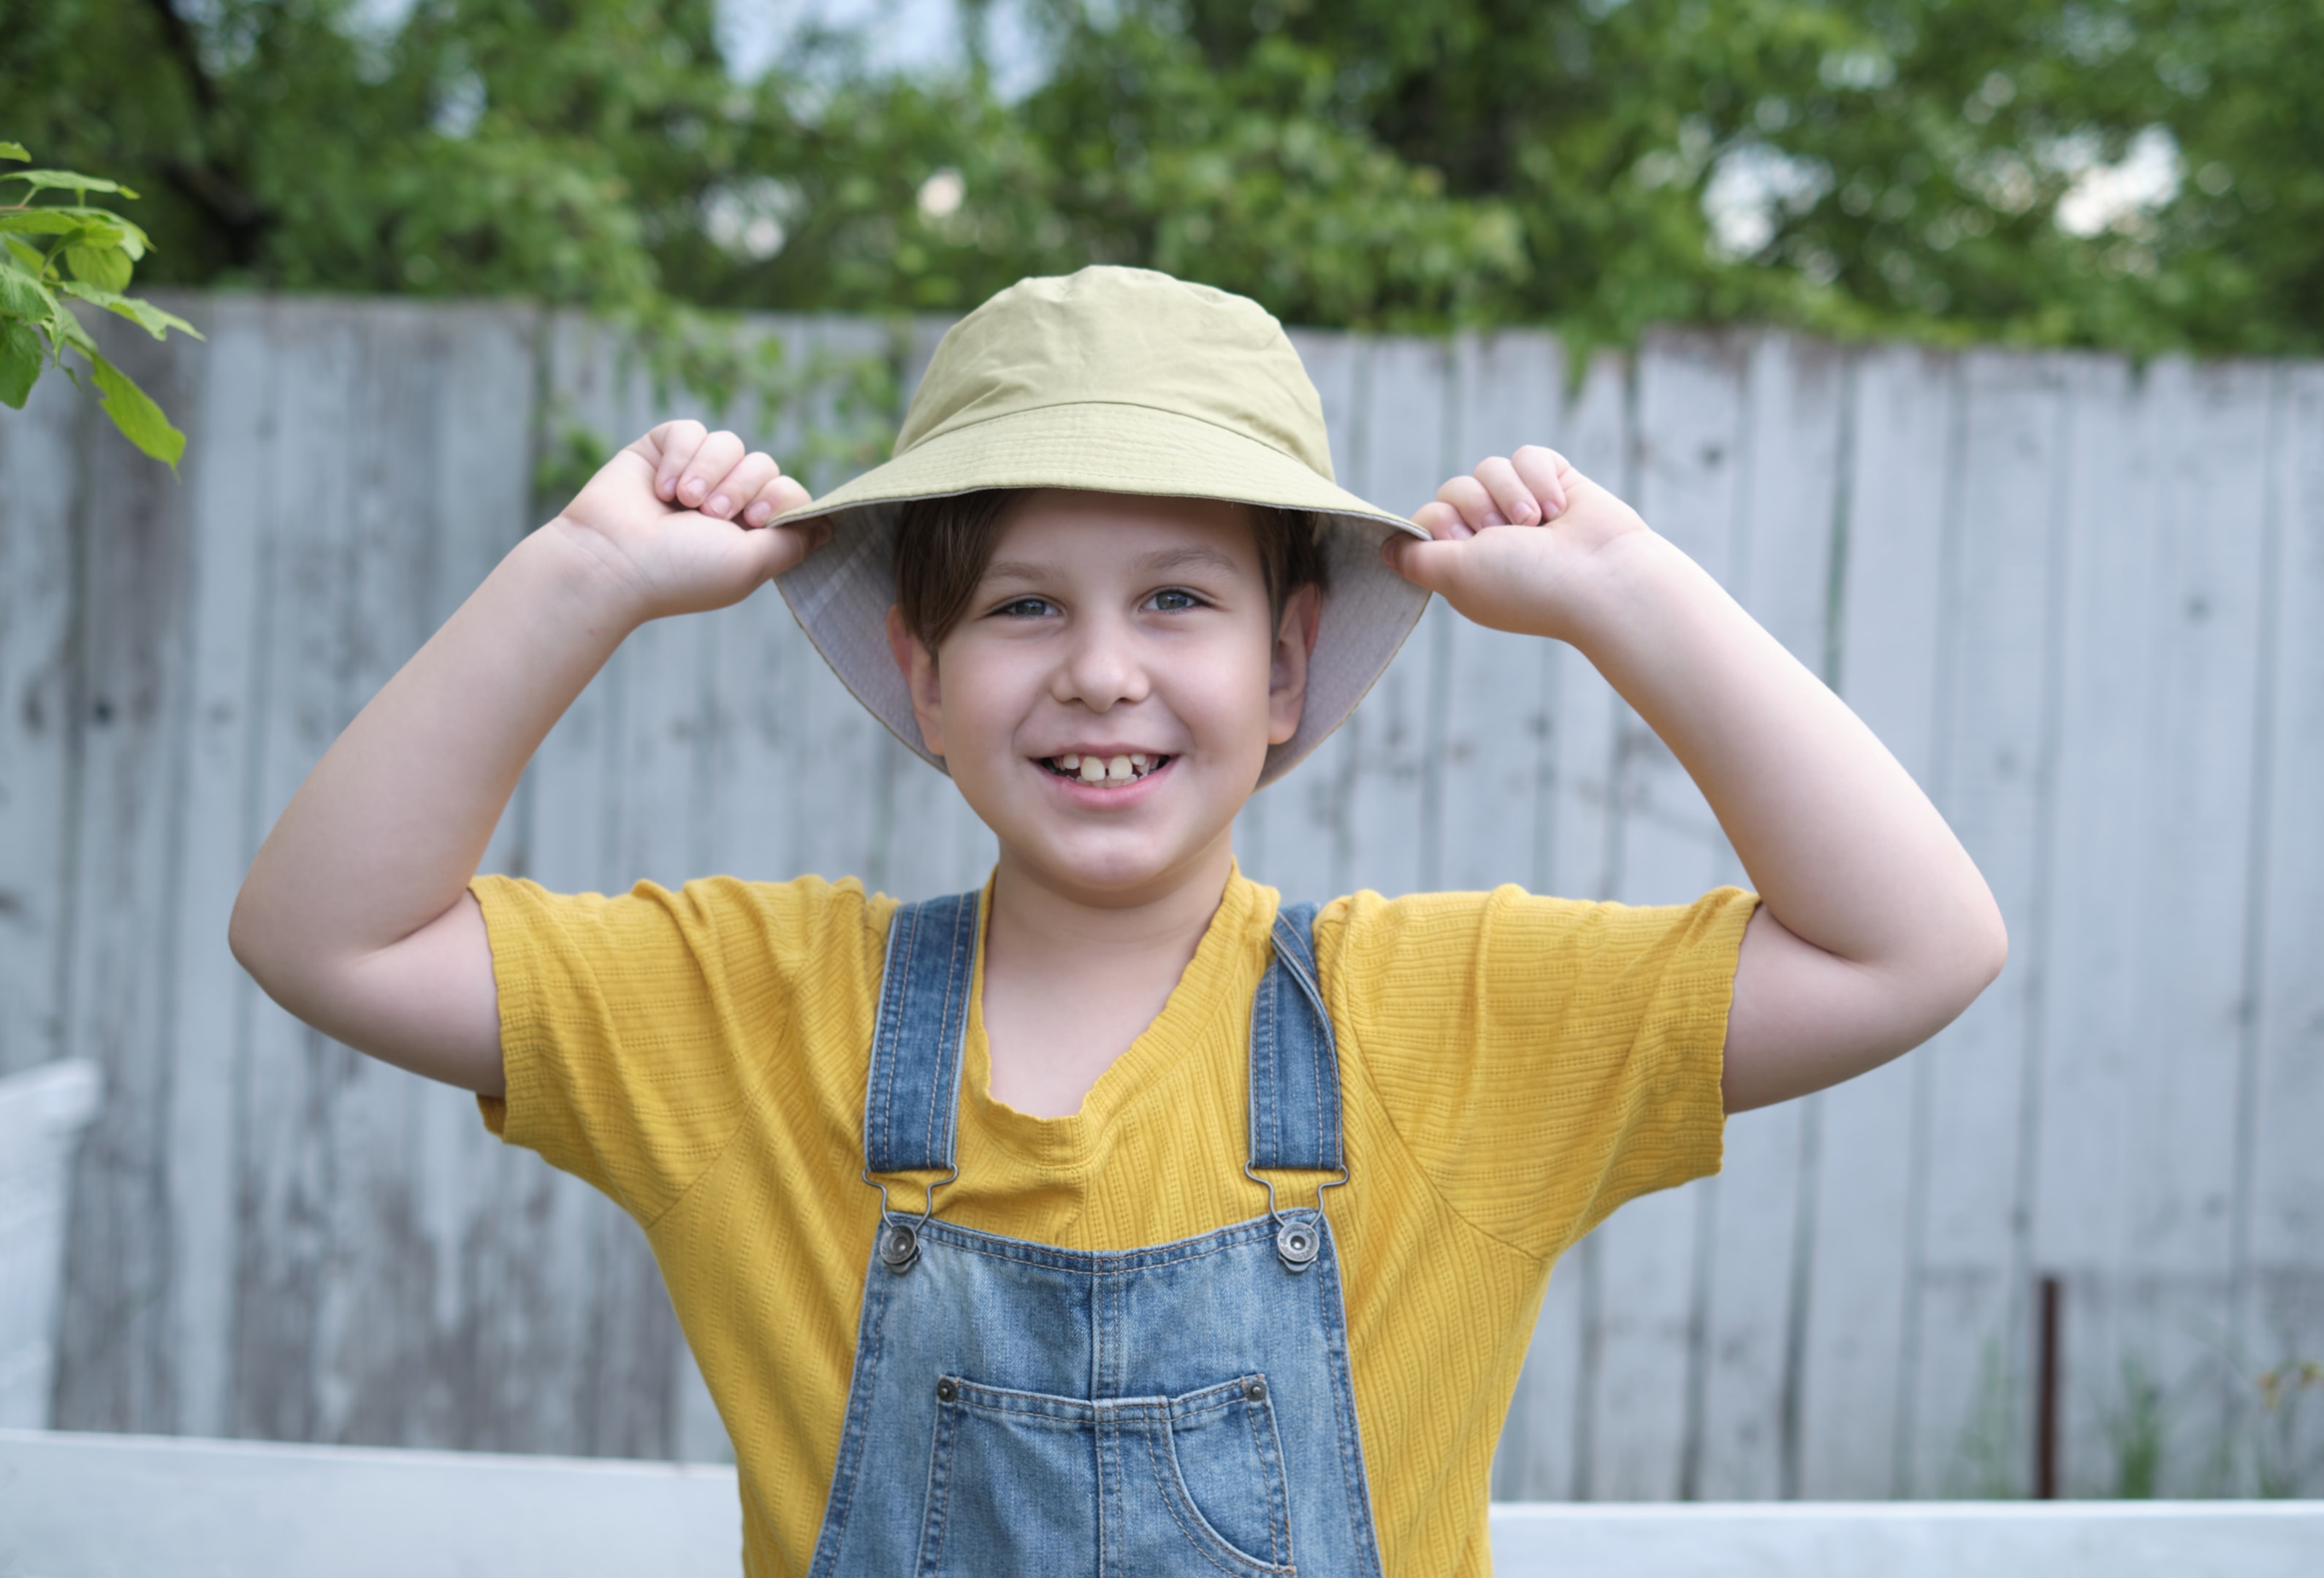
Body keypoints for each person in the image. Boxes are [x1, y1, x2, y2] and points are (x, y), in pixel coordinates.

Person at [229, 267, 2004, 1577]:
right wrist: (580, 580)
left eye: (1177, 597)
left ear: (1290, 663)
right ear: (919, 676)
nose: (1099, 670)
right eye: (1020, 605)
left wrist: (1635, 598)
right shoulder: (755, 1017)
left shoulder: (1448, 1023)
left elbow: (1913, 946)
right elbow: (329, 938)